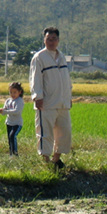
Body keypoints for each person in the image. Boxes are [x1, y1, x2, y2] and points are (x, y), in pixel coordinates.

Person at [29, 27, 72, 169]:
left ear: (58, 41)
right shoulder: (39, 57)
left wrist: (68, 97)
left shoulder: (62, 57)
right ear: (44, 40)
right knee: (45, 132)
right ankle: (45, 161)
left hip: (62, 103)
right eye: (48, 39)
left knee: (64, 132)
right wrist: (38, 96)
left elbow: (66, 79)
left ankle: (56, 160)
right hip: (46, 103)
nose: (51, 42)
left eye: (54, 39)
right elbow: (35, 79)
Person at [0, 81, 25, 156]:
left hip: (17, 123)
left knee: (12, 136)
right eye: (11, 92)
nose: (12, 94)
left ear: (19, 92)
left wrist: (5, 111)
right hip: (9, 123)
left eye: (14, 92)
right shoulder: (8, 101)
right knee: (9, 139)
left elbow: (16, 111)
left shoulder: (19, 101)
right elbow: (5, 109)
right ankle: (11, 155)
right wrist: (2, 110)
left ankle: (15, 154)